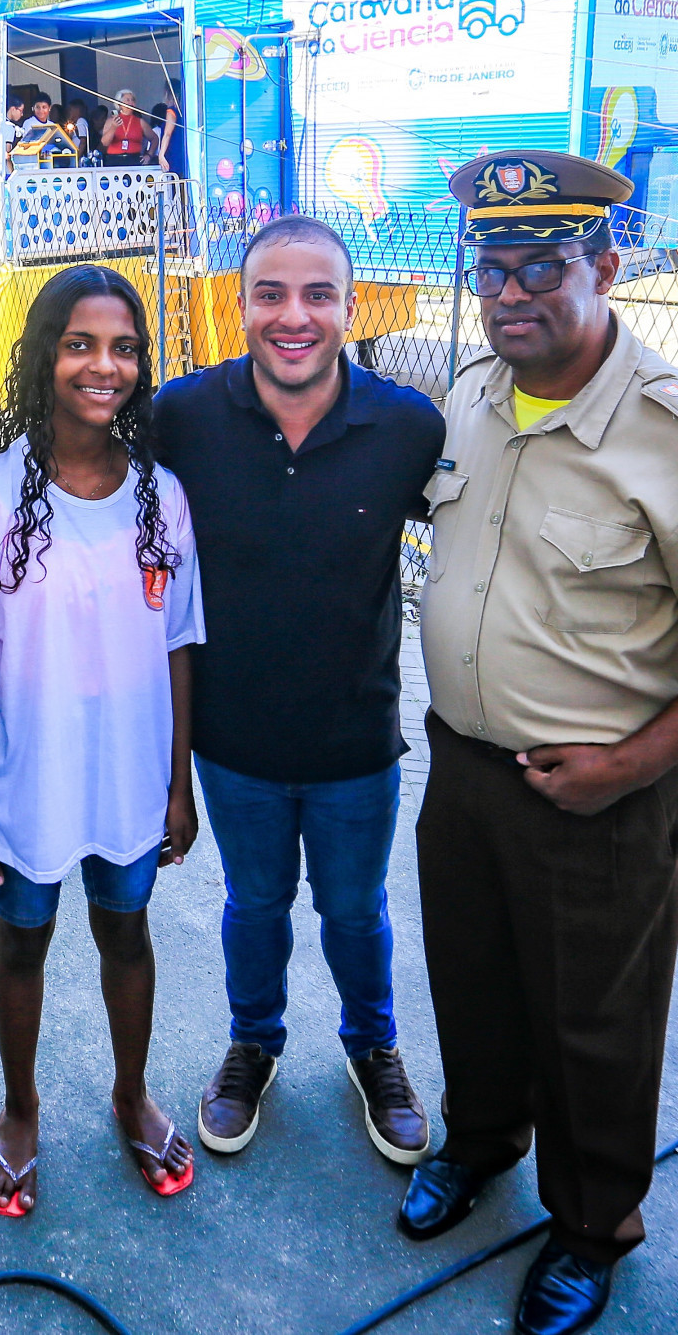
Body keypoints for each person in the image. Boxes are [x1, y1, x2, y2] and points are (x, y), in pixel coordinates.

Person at [406, 151, 678, 1335]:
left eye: (546, 264)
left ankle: (592, 1225)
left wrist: (631, 767)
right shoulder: (471, 400)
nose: (512, 289)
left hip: (602, 793)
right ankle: (480, 1142)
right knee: (473, 984)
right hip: (464, 769)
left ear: (607, 265)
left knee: (596, 1020)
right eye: (494, 265)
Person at [153, 216, 443, 1167]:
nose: (294, 315)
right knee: (254, 905)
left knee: (356, 912)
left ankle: (375, 1050)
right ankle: (252, 1045)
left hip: (356, 744)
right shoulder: (183, 417)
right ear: (238, 308)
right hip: (233, 744)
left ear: (351, 308)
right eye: (271, 293)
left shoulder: (406, 426)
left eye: (319, 294)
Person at [0, 265, 204, 1219]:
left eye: (126, 346)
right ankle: (20, 1108)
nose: (106, 365)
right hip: (29, 781)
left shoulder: (161, 497)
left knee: (125, 931)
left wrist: (180, 784)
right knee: (24, 939)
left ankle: (131, 1094)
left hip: (131, 777)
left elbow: (179, 645)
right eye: (82, 343)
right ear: (44, 355)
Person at [10, 95, 76, 171]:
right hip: (35, 160)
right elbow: (28, 143)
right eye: (38, 107)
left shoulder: (52, 125)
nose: (41, 110)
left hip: (52, 155)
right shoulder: (29, 123)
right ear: (33, 108)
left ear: (49, 108)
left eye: (44, 107)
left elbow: (56, 142)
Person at [101, 89, 154, 167]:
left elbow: (154, 138)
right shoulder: (111, 121)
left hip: (134, 160)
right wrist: (113, 127)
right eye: (127, 100)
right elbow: (104, 143)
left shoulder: (140, 121)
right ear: (119, 104)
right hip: (114, 160)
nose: (131, 103)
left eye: (133, 100)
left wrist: (149, 155)